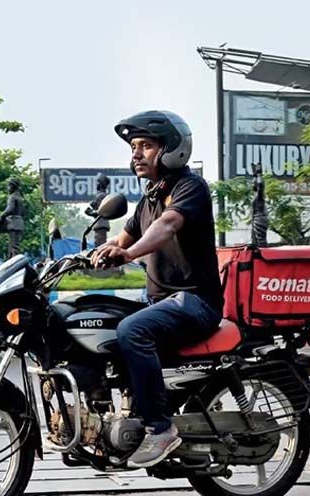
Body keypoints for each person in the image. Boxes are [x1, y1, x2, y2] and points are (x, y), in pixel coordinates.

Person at [91, 110, 223, 468]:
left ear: (172, 149)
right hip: (161, 300)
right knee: (98, 320)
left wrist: (128, 253)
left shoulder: (189, 187)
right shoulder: (150, 196)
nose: (135, 154)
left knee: (132, 329)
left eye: (145, 146)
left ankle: (160, 428)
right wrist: (89, 256)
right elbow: (122, 238)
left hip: (196, 302)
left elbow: (167, 225)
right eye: (134, 147)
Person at [0, 178, 25, 258]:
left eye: (8, 186)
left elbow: (10, 209)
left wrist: (1, 216)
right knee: (15, 246)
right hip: (19, 223)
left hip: (14, 223)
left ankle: (14, 263)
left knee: (13, 248)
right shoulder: (20, 197)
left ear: (12, 186)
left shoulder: (12, 197)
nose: (8, 188)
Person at [85, 173, 110, 247]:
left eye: (98, 182)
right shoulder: (101, 195)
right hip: (99, 225)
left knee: (99, 246)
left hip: (101, 224)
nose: (96, 184)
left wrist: (91, 212)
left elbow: (102, 211)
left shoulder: (102, 196)